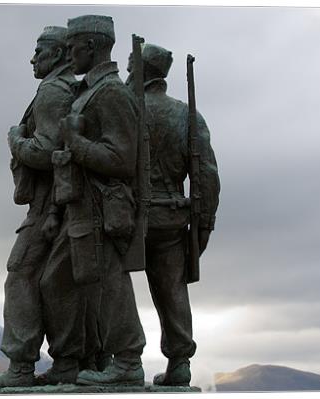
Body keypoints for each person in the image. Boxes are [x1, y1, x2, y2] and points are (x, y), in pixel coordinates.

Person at [40, 14, 146, 386]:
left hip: (102, 206)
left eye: (73, 47)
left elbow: (121, 159)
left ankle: (129, 360)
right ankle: (68, 361)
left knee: (109, 281)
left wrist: (76, 142)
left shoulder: (112, 93)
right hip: (78, 205)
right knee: (56, 280)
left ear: (92, 46)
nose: (69, 54)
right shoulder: (89, 91)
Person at [0, 26, 76, 392]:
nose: (33, 58)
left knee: (21, 273)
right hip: (63, 202)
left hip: (50, 203)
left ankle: (20, 366)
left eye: (40, 51)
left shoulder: (51, 91)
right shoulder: (68, 89)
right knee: (58, 282)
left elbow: (47, 152)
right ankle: (68, 362)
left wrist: (16, 140)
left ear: (60, 54)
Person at [125, 43, 220, 386]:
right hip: (173, 217)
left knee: (113, 285)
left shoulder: (127, 109)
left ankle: (120, 358)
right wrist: (205, 222)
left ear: (141, 70)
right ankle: (180, 361)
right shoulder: (187, 115)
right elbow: (206, 174)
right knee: (172, 289)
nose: (127, 70)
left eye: (131, 66)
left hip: (129, 217)